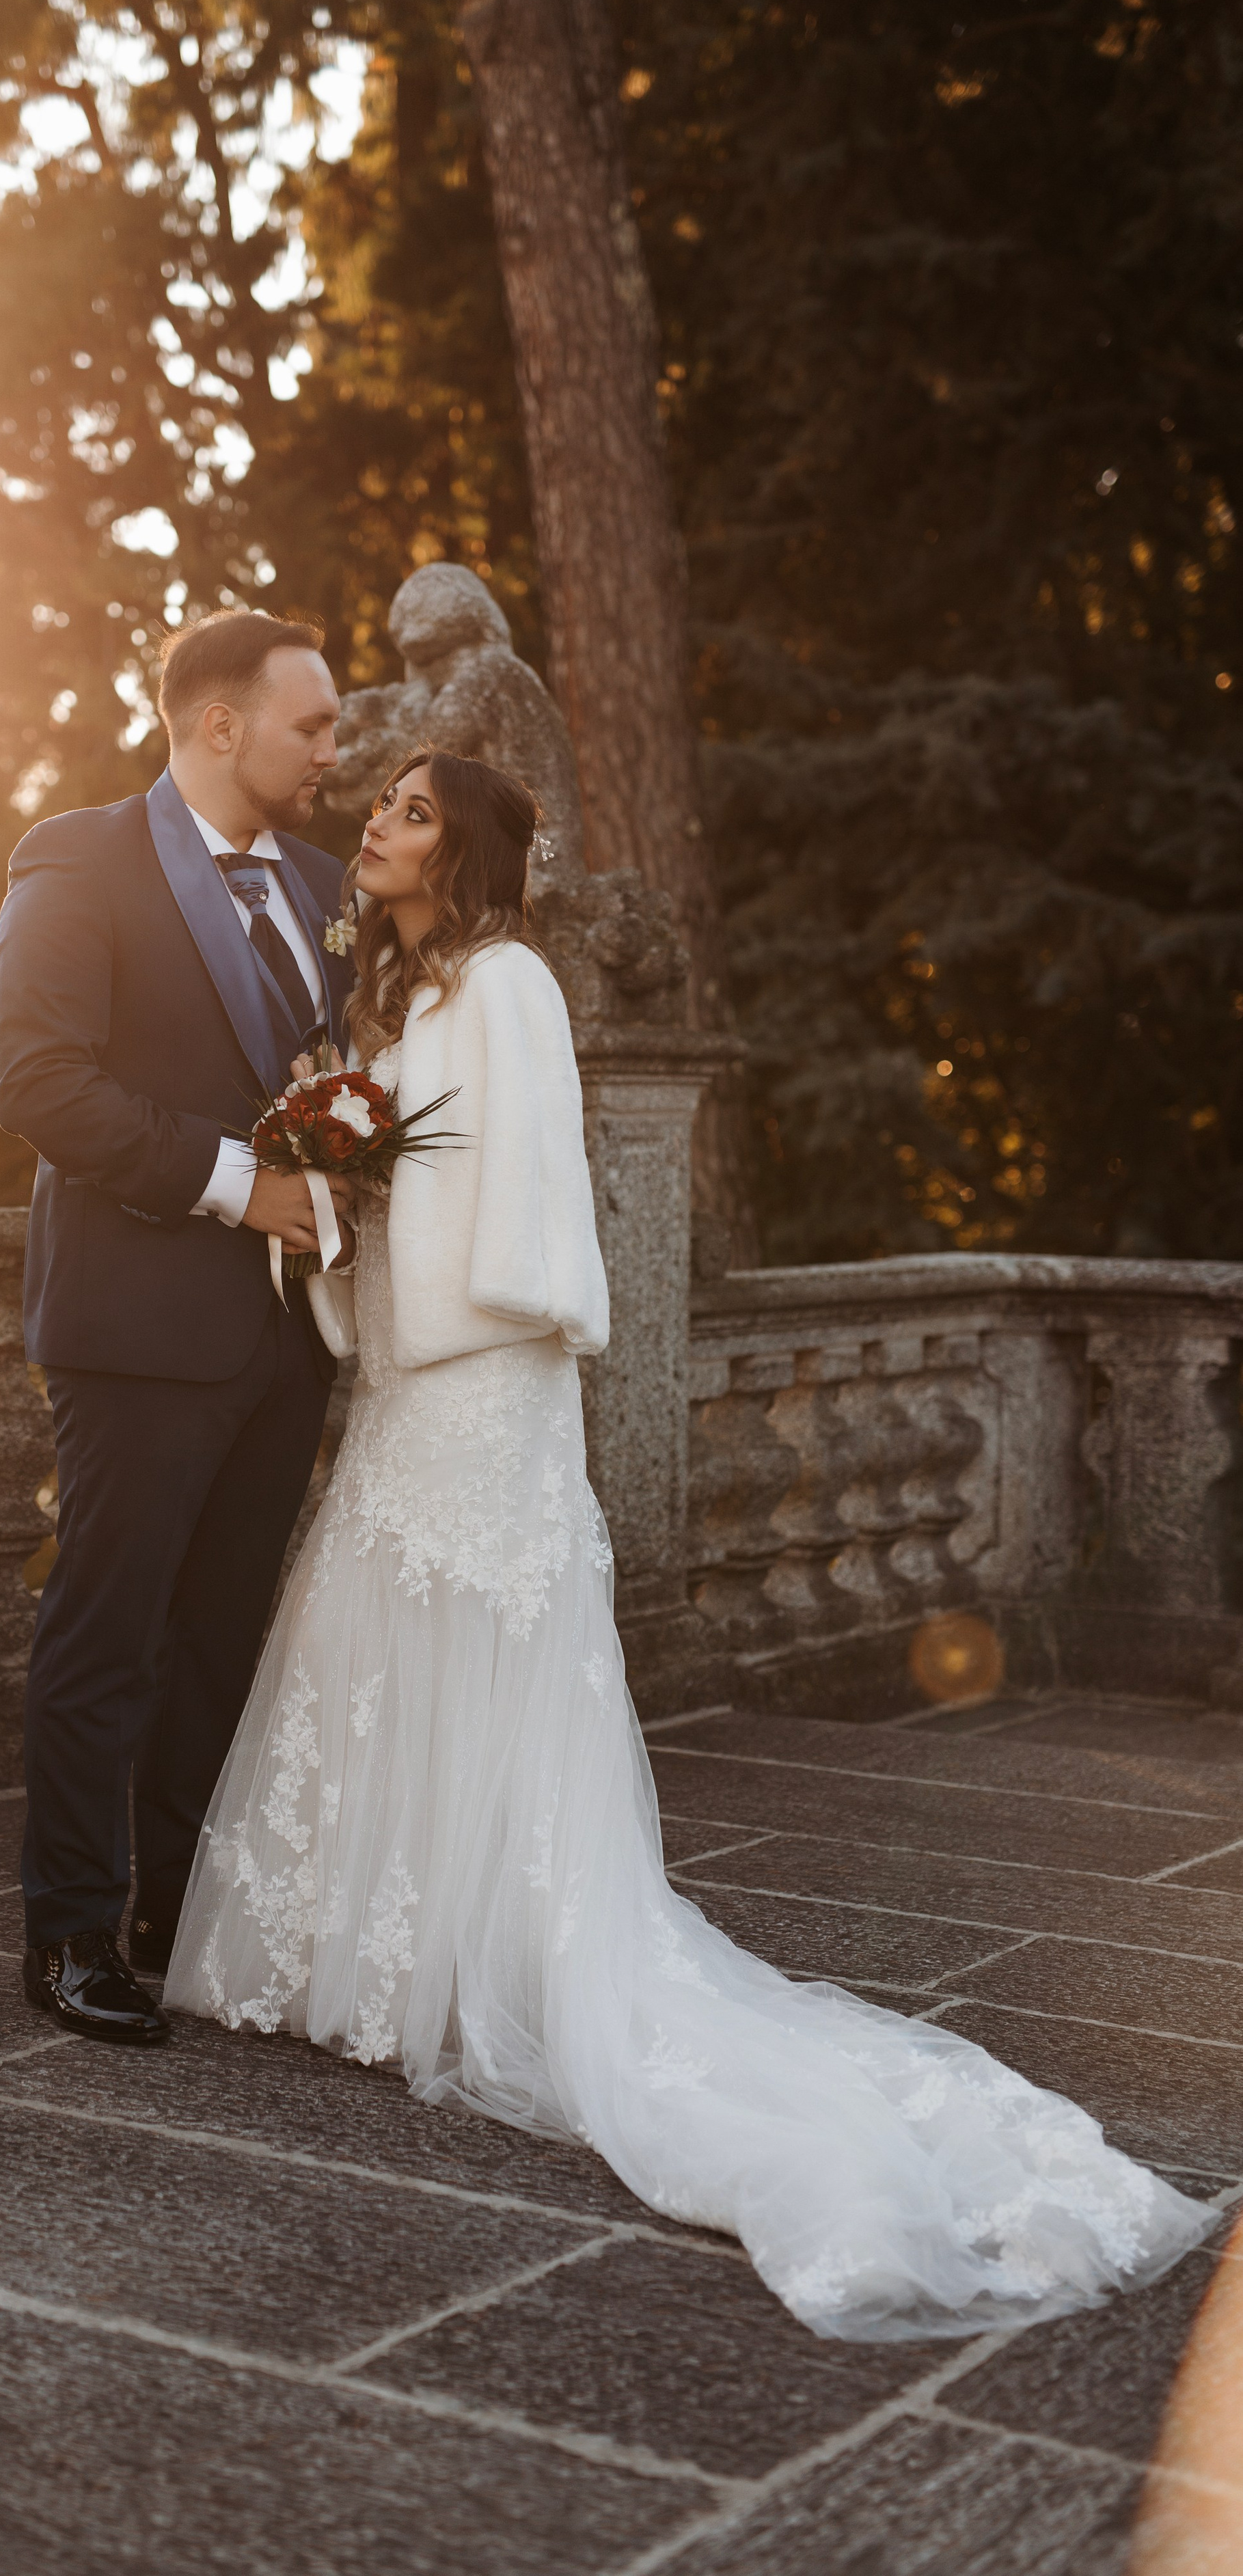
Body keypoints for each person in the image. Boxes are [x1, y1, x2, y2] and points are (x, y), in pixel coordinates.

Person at [166, 748, 1217, 2342]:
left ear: (469, 853)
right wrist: (331, 1189)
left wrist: (390, 1251)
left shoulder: (510, 981)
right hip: (398, 1378)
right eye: (375, 802)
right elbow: (406, 1189)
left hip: (480, 1384)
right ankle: (364, 1958)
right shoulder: (392, 1002)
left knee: (477, 1643)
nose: (372, 824)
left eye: (409, 813)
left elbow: (518, 1202)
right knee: (374, 1640)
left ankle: (497, 1964)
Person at [0, 607, 358, 2049]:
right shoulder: (72, 857)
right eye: (310, 727)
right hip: (137, 1325)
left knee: (220, 1641)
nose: (332, 751)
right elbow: (40, 1084)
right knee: (109, 1635)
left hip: (288, 1340)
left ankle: (176, 1920)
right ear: (218, 726)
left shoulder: (328, 885)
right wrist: (239, 1187)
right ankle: (70, 1930)